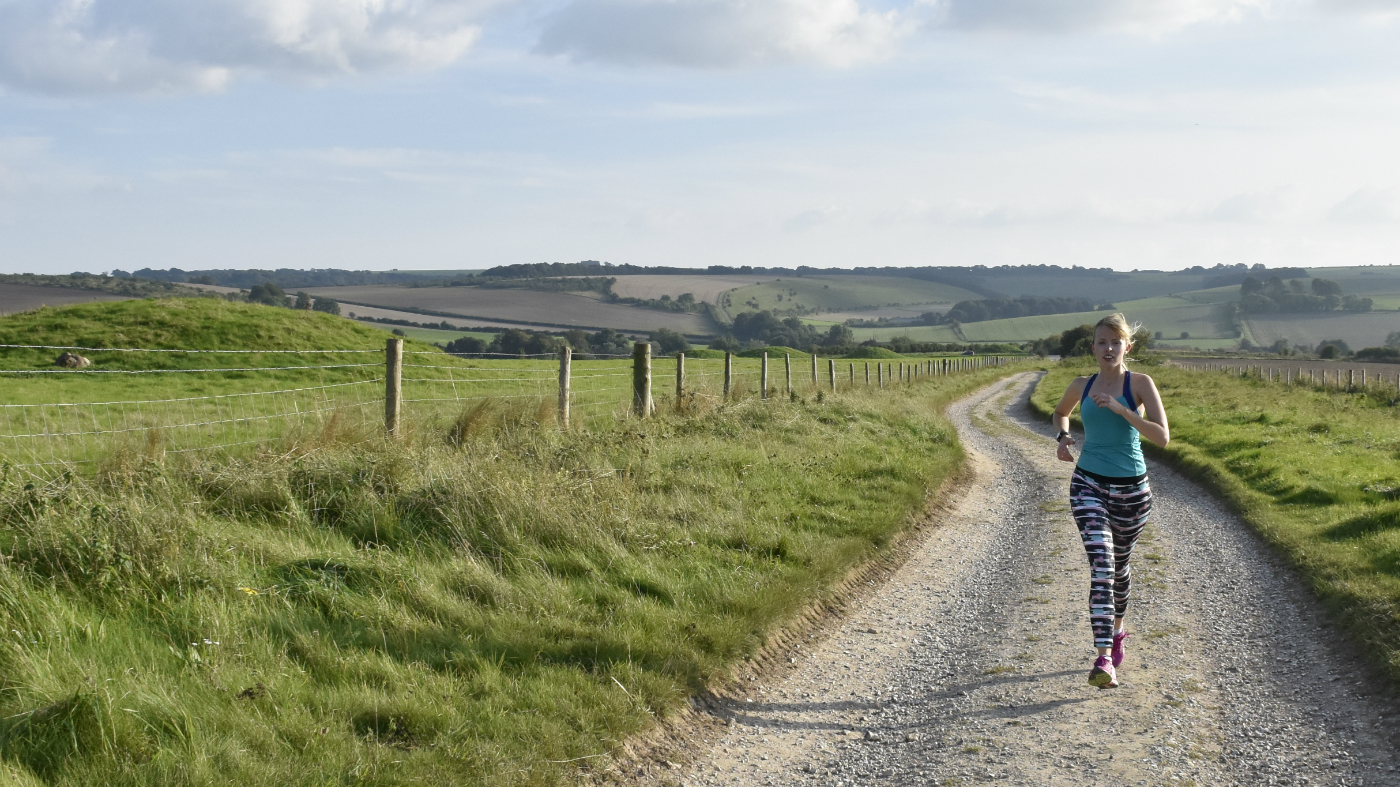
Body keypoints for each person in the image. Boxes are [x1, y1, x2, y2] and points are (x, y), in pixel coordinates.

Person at [1050, 314, 1170, 688]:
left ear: (1127, 347)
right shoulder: (1081, 385)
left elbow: (1162, 437)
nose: (1108, 349)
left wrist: (1123, 410)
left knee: (1120, 568)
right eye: (1102, 342)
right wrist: (1062, 438)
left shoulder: (1140, 384)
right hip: (1087, 484)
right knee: (1102, 564)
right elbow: (1060, 413)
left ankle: (1117, 631)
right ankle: (1103, 659)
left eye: (1116, 342)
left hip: (1132, 492)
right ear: (1093, 348)